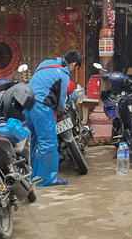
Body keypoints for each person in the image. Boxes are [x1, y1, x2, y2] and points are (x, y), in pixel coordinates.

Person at [26, 50, 82, 186]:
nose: (74, 70)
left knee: (31, 143)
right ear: (73, 64)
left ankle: (31, 175)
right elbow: (62, 100)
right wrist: (62, 107)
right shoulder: (63, 75)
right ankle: (47, 179)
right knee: (48, 143)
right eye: (75, 67)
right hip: (42, 108)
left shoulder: (46, 63)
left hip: (27, 103)